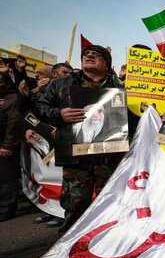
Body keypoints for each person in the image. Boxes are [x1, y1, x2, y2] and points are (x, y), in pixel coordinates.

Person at [34, 45, 125, 234]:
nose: (89, 55)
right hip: (75, 159)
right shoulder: (62, 84)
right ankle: (68, 248)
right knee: (75, 206)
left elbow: (132, 120)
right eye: (86, 54)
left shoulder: (119, 88)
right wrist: (59, 114)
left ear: (107, 63)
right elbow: (38, 105)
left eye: (96, 54)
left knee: (108, 205)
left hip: (108, 159)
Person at [0, 71, 20, 221]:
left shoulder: (12, 99)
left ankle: (6, 210)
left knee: (7, 179)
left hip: (4, 146)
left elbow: (13, 124)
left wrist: (6, 146)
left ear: (7, 83)